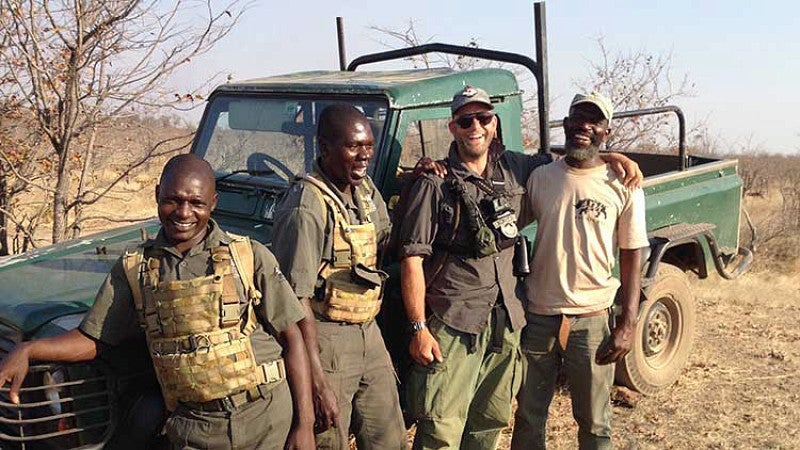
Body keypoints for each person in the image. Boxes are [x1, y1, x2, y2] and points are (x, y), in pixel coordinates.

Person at [0, 154, 315, 450]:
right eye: (173, 200)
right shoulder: (135, 267)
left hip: (264, 416)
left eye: (196, 203)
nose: (183, 212)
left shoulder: (247, 255)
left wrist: (305, 423)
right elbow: (94, 338)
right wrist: (29, 349)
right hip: (194, 427)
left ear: (214, 203)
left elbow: (292, 336)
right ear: (157, 195)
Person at [396, 86, 642, 450]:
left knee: (494, 421)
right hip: (462, 317)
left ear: (494, 124)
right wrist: (418, 327)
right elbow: (412, 258)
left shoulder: (517, 169)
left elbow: (579, 161)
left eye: (483, 118)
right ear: (453, 127)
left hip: (512, 318)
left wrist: (613, 157)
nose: (475, 126)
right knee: (445, 428)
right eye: (466, 120)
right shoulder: (439, 181)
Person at [510, 92, 649, 450]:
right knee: (528, 415)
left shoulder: (623, 185)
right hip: (539, 316)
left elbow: (633, 254)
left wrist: (628, 323)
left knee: (594, 421)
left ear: (606, 130)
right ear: (567, 123)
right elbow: (508, 223)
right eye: (578, 118)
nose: (583, 126)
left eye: (594, 120)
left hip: (591, 319)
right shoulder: (541, 177)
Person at [271, 103, 407, 450]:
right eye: (353, 147)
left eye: (368, 146)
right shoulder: (307, 204)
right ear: (326, 148)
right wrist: (316, 381)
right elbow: (293, 301)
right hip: (325, 339)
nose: (364, 156)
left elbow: (384, 242)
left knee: (388, 435)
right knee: (329, 435)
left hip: (368, 329)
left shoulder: (362, 189)